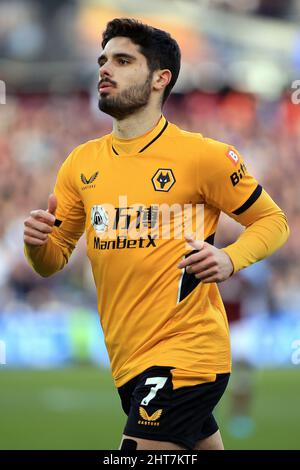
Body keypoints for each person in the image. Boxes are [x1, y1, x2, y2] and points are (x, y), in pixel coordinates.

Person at [23, 18, 289, 450]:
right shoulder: (80, 163)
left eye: (123, 60)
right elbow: (52, 262)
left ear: (159, 79)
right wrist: (36, 245)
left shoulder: (204, 156)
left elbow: (273, 222)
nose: (105, 69)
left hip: (186, 353)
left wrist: (230, 258)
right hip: (129, 359)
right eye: (103, 60)